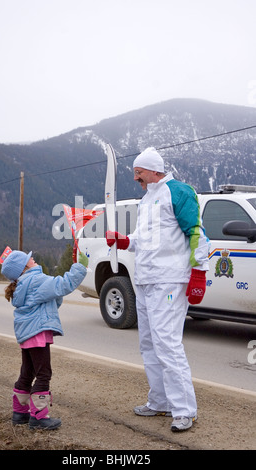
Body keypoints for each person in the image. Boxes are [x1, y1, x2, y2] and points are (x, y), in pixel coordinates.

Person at [106, 147, 210, 432]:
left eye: (139, 173)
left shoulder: (179, 192)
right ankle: (160, 400)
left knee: (167, 343)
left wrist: (199, 273)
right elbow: (145, 239)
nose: (136, 178)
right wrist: (125, 241)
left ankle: (184, 409)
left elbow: (197, 233)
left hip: (170, 280)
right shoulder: (147, 199)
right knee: (149, 343)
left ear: (153, 169)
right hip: (146, 279)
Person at [1, 248, 88, 430]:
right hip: (38, 334)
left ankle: (20, 412)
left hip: (27, 335)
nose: (33, 258)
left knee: (27, 373)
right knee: (43, 374)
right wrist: (79, 267)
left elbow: (54, 296)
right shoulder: (34, 279)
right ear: (24, 267)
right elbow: (63, 285)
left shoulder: (23, 284)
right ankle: (39, 417)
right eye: (29, 258)